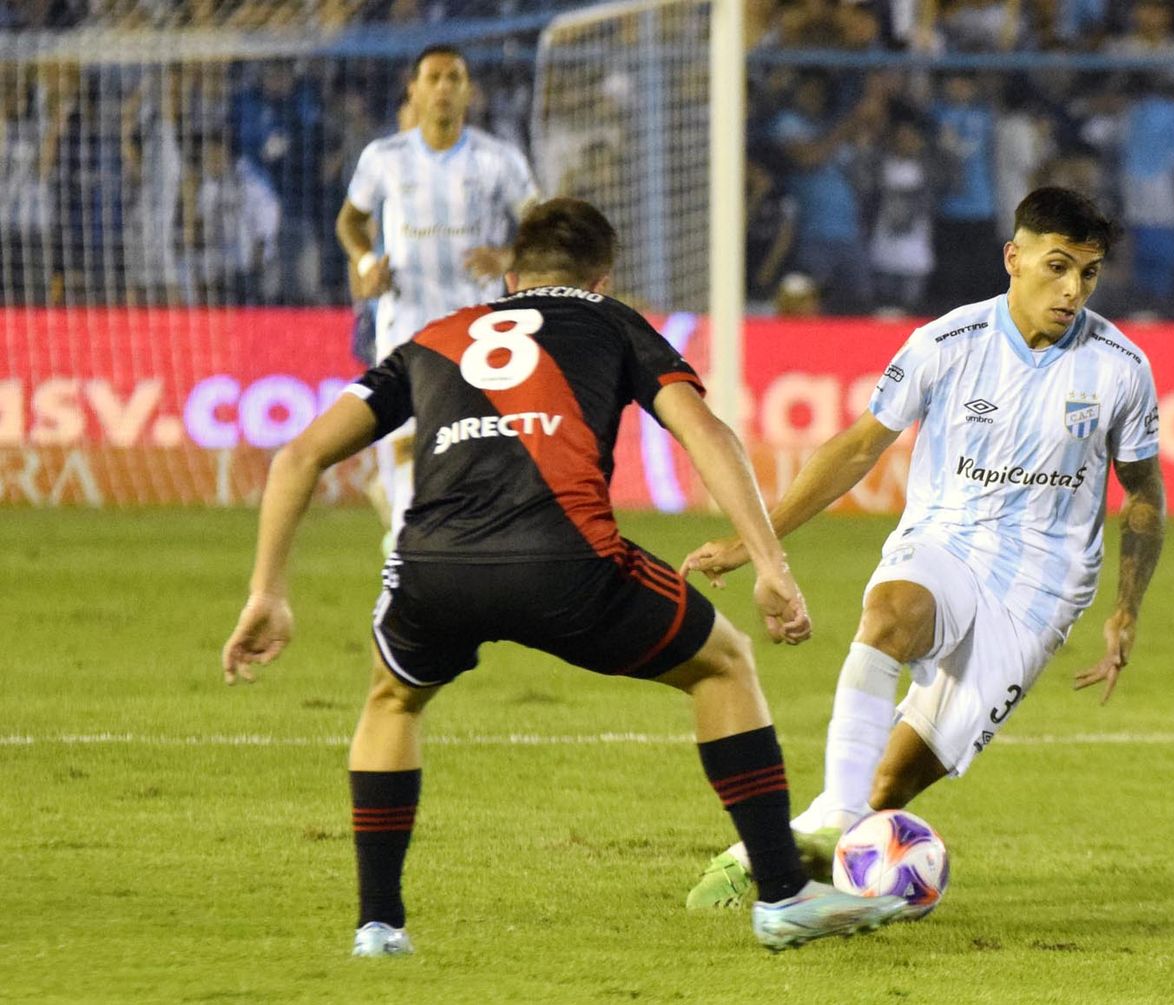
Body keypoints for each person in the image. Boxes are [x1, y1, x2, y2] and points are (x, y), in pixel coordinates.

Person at [222, 197, 905, 956]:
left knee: (394, 698)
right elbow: (704, 431)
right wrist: (770, 563)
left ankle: (379, 925)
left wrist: (266, 591)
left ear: (511, 276)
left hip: (435, 566)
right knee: (724, 663)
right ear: (603, 279)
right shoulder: (612, 322)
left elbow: (297, 457)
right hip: (567, 562)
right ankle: (782, 894)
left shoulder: (435, 336)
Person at [683, 187, 1167, 909]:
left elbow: (1145, 494)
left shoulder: (1120, 368)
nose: (1072, 290)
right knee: (889, 614)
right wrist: (754, 539)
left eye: (1088, 274)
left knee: (889, 785)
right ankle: (834, 841)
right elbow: (855, 448)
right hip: (946, 539)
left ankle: (774, 849)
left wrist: (1125, 611)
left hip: (1041, 591)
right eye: (1058, 266)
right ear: (1015, 257)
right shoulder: (948, 343)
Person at [336, 45, 540, 553]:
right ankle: (408, 541)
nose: (444, 87)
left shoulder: (500, 160)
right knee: (405, 439)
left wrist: (510, 255)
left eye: (454, 78)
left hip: (480, 330)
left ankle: (453, 540)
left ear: (469, 91)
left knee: (474, 445)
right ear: (415, 90)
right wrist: (365, 264)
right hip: (404, 323)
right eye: (433, 77)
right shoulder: (383, 158)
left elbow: (541, 222)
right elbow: (350, 220)